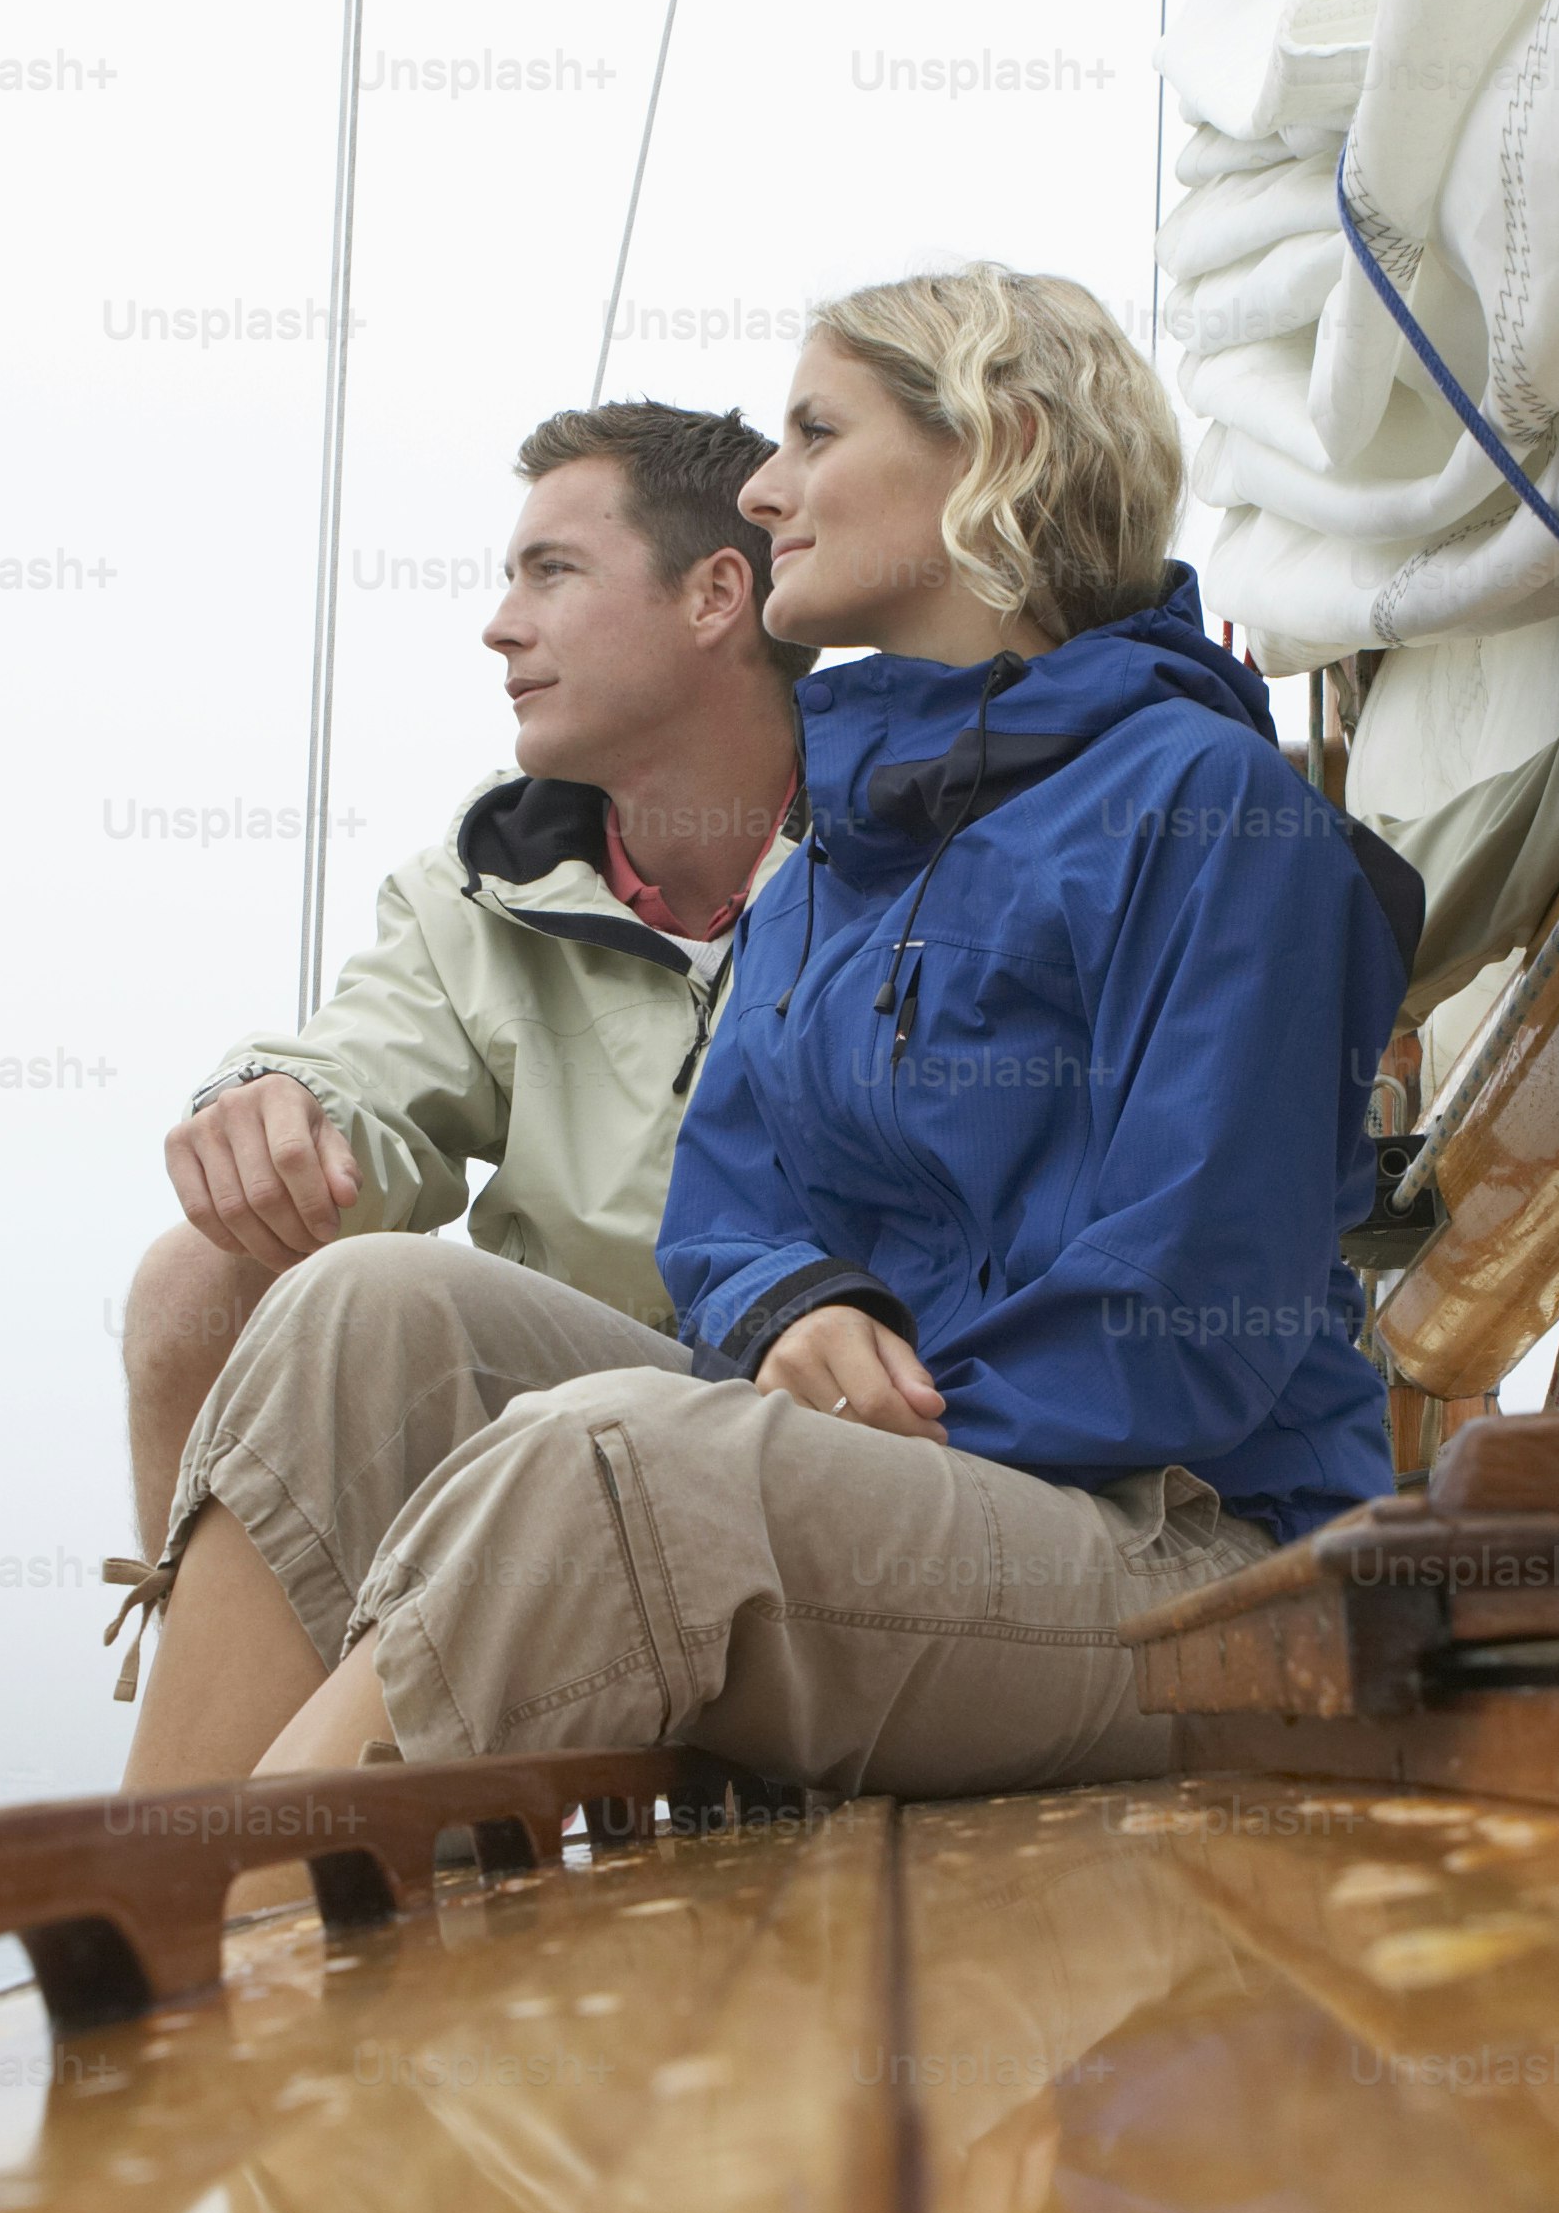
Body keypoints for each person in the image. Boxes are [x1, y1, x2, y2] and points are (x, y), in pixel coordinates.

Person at [125, 264, 1416, 1801]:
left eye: (815, 432)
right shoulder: (835, 860)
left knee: (615, 1461)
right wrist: (793, 1310)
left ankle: (231, 1955)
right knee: (365, 1311)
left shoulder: (1215, 815)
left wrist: (850, 1443)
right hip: (916, 1493)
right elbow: (727, 1207)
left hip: (1194, 1557)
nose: (764, 485)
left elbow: (1195, 1306)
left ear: (993, 445)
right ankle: (161, 1872)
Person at [110, 403, 803, 1765]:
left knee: (393, 1303)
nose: (499, 623)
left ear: (719, 594)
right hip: (561, 1396)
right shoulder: (480, 884)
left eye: (552, 571)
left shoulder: (898, 847)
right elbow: (356, 1074)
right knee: (197, 1279)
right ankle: (203, 1788)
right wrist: (270, 1106)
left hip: (815, 1399)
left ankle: (245, 1837)